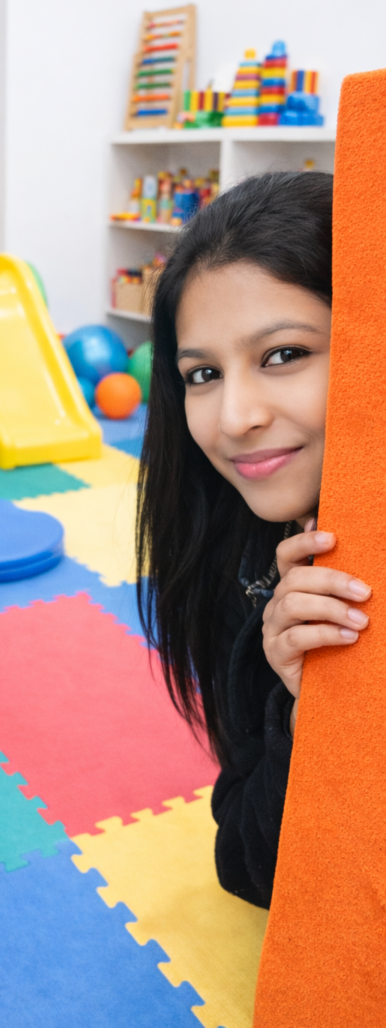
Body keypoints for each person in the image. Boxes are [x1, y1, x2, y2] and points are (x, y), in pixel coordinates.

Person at [136, 171, 371, 908]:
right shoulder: (238, 558)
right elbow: (247, 866)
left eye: (283, 355)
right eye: (203, 373)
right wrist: (306, 713)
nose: (235, 417)